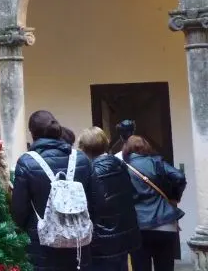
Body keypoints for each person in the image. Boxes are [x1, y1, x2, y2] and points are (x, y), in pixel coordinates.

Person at [12, 111, 94, 271]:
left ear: (32, 133)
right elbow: (96, 202)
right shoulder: (82, 159)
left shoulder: (27, 162)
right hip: (78, 247)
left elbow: (19, 211)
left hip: (41, 248)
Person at [78, 127, 140, 271]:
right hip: (124, 237)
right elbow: (133, 195)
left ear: (83, 148)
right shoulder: (120, 165)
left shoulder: (90, 171)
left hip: (101, 241)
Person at [123, 136, 186, 271]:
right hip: (165, 223)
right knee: (165, 267)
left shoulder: (123, 167)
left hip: (138, 226)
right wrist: (174, 197)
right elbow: (179, 177)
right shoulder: (157, 162)